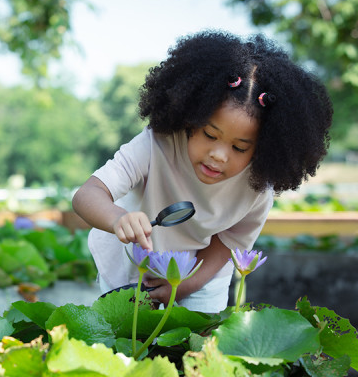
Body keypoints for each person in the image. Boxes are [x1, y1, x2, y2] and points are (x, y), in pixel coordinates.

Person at [72, 30, 333, 313]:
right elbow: (87, 195)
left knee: (195, 351)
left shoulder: (258, 187)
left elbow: (227, 244)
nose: (219, 155)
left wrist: (186, 285)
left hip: (201, 278)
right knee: (125, 343)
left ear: (264, 149)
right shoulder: (156, 144)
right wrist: (118, 219)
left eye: (240, 147)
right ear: (190, 119)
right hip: (130, 266)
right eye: (210, 135)